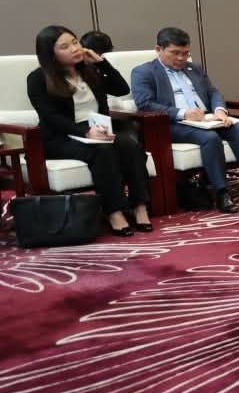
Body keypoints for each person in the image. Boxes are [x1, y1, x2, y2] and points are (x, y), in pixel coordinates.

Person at [131, 27, 239, 214]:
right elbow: (145, 104)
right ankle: (221, 193)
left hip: (207, 119)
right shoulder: (143, 72)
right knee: (210, 138)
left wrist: (220, 110)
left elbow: (213, 92)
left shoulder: (194, 68)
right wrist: (182, 113)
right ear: (158, 49)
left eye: (185, 53)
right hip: (172, 124)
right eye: (175, 53)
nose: (181, 58)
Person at [26, 25, 152, 236]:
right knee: (103, 150)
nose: (74, 48)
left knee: (130, 144)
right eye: (65, 47)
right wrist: (85, 133)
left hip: (98, 131)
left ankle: (139, 206)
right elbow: (50, 116)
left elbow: (122, 89)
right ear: (51, 54)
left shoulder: (89, 70)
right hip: (61, 137)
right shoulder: (38, 78)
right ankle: (114, 212)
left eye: (75, 42)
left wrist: (101, 62)